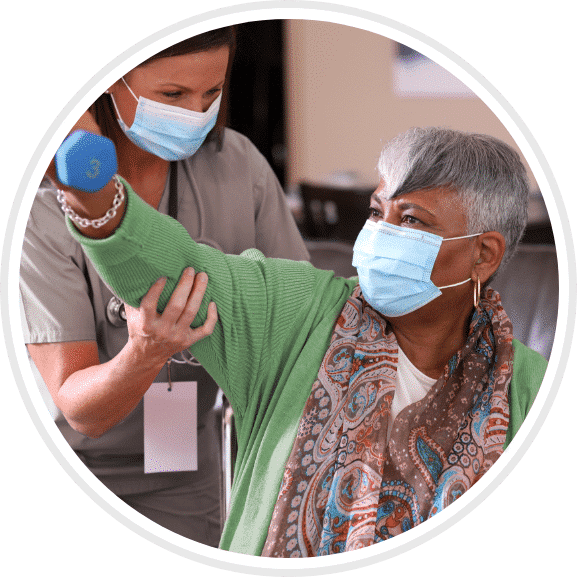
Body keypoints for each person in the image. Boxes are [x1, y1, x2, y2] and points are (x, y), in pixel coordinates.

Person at [55, 126, 546, 557]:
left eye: (412, 220)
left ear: (484, 255)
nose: (379, 234)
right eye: (378, 211)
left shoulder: (531, 390)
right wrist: (93, 195)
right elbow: (175, 266)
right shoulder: (295, 313)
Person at [19, 26, 309, 547]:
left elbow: (299, 320)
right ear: (111, 80)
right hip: (72, 463)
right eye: (172, 95)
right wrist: (146, 353)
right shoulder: (44, 202)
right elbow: (81, 409)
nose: (195, 114)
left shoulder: (238, 166)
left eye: (211, 94)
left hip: (181, 461)